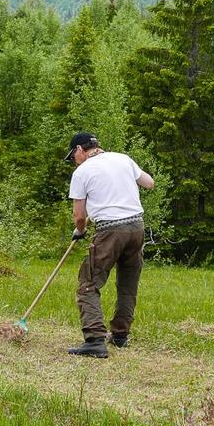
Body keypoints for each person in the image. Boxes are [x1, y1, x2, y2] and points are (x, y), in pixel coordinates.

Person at [65, 132, 155, 359]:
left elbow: (78, 215)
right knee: (127, 282)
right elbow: (149, 183)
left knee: (88, 282)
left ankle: (95, 339)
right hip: (136, 228)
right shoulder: (123, 159)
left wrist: (81, 230)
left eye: (72, 156)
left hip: (110, 230)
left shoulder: (82, 172)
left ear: (79, 150)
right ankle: (120, 335)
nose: (73, 160)